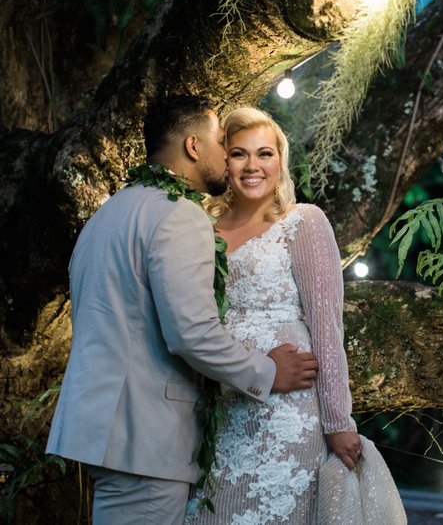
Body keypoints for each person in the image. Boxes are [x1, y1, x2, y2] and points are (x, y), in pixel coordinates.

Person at [46, 95, 319, 525]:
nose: (227, 157)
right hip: (148, 435)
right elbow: (192, 333)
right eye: (220, 143)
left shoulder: (108, 214)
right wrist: (267, 372)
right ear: (193, 146)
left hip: (104, 431)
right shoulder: (180, 216)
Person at [185, 107, 363, 524]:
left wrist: (338, 421)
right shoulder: (199, 227)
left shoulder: (304, 222)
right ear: (223, 161)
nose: (252, 166)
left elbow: (327, 329)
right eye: (239, 153)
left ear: (280, 160)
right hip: (219, 407)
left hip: (286, 415)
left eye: (264, 154)